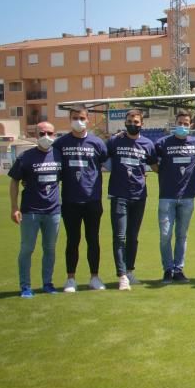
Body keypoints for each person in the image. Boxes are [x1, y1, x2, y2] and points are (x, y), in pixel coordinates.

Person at [53, 105, 108, 291]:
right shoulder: (60, 144)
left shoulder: (97, 143)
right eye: (75, 117)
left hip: (92, 200)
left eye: (82, 118)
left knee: (93, 239)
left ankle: (94, 277)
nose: (79, 121)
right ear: (70, 119)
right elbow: (52, 168)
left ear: (88, 120)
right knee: (72, 240)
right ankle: (71, 279)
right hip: (70, 201)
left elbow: (108, 165)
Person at [105, 109, 158, 290]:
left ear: (142, 124)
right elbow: (99, 156)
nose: (132, 124)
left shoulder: (148, 144)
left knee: (133, 237)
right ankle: (121, 276)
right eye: (129, 121)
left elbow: (155, 166)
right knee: (119, 236)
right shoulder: (115, 141)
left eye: (136, 122)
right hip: (119, 195)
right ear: (125, 122)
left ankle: (129, 271)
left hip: (139, 196)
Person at [9, 122, 61, 297]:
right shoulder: (25, 157)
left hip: (53, 211)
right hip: (30, 211)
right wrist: (14, 207)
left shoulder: (59, 156)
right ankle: (25, 286)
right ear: (35, 135)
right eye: (41, 133)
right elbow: (15, 181)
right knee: (27, 249)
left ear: (54, 134)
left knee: (50, 249)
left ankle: (48, 283)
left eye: (49, 132)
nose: (46, 136)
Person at [155, 109, 195, 283]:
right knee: (165, 235)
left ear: (191, 125)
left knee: (182, 235)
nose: (182, 126)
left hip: (187, 197)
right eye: (180, 123)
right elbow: (150, 158)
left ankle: (178, 269)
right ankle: (167, 269)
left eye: (186, 124)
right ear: (174, 124)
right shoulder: (162, 143)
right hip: (166, 197)